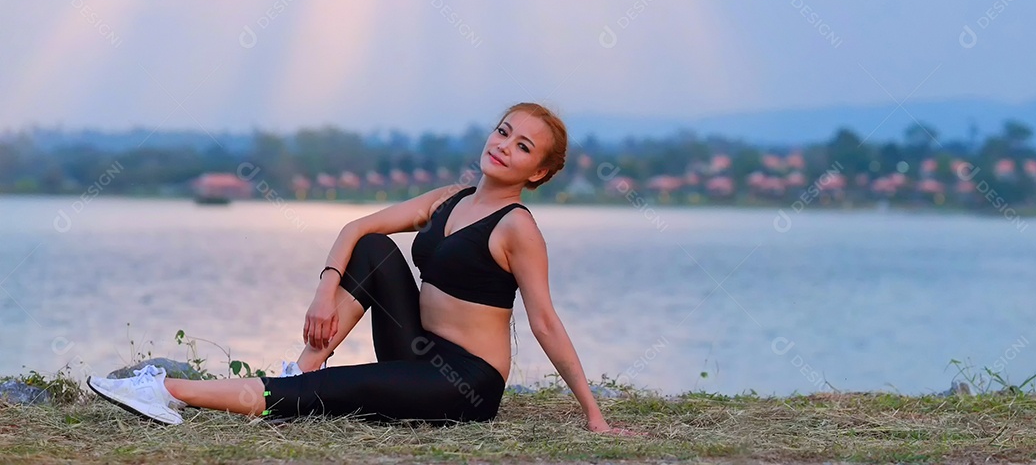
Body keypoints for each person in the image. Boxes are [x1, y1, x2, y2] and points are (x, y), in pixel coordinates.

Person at [89, 102, 639, 435]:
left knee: (335, 394)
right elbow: (356, 230)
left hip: (464, 385)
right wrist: (325, 291)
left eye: (522, 147)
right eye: (502, 131)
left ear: (538, 172)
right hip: (417, 350)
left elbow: (544, 322)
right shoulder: (449, 197)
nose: (503, 147)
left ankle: (165, 391)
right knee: (376, 249)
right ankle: (302, 369)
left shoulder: (519, 228)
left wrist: (593, 414)